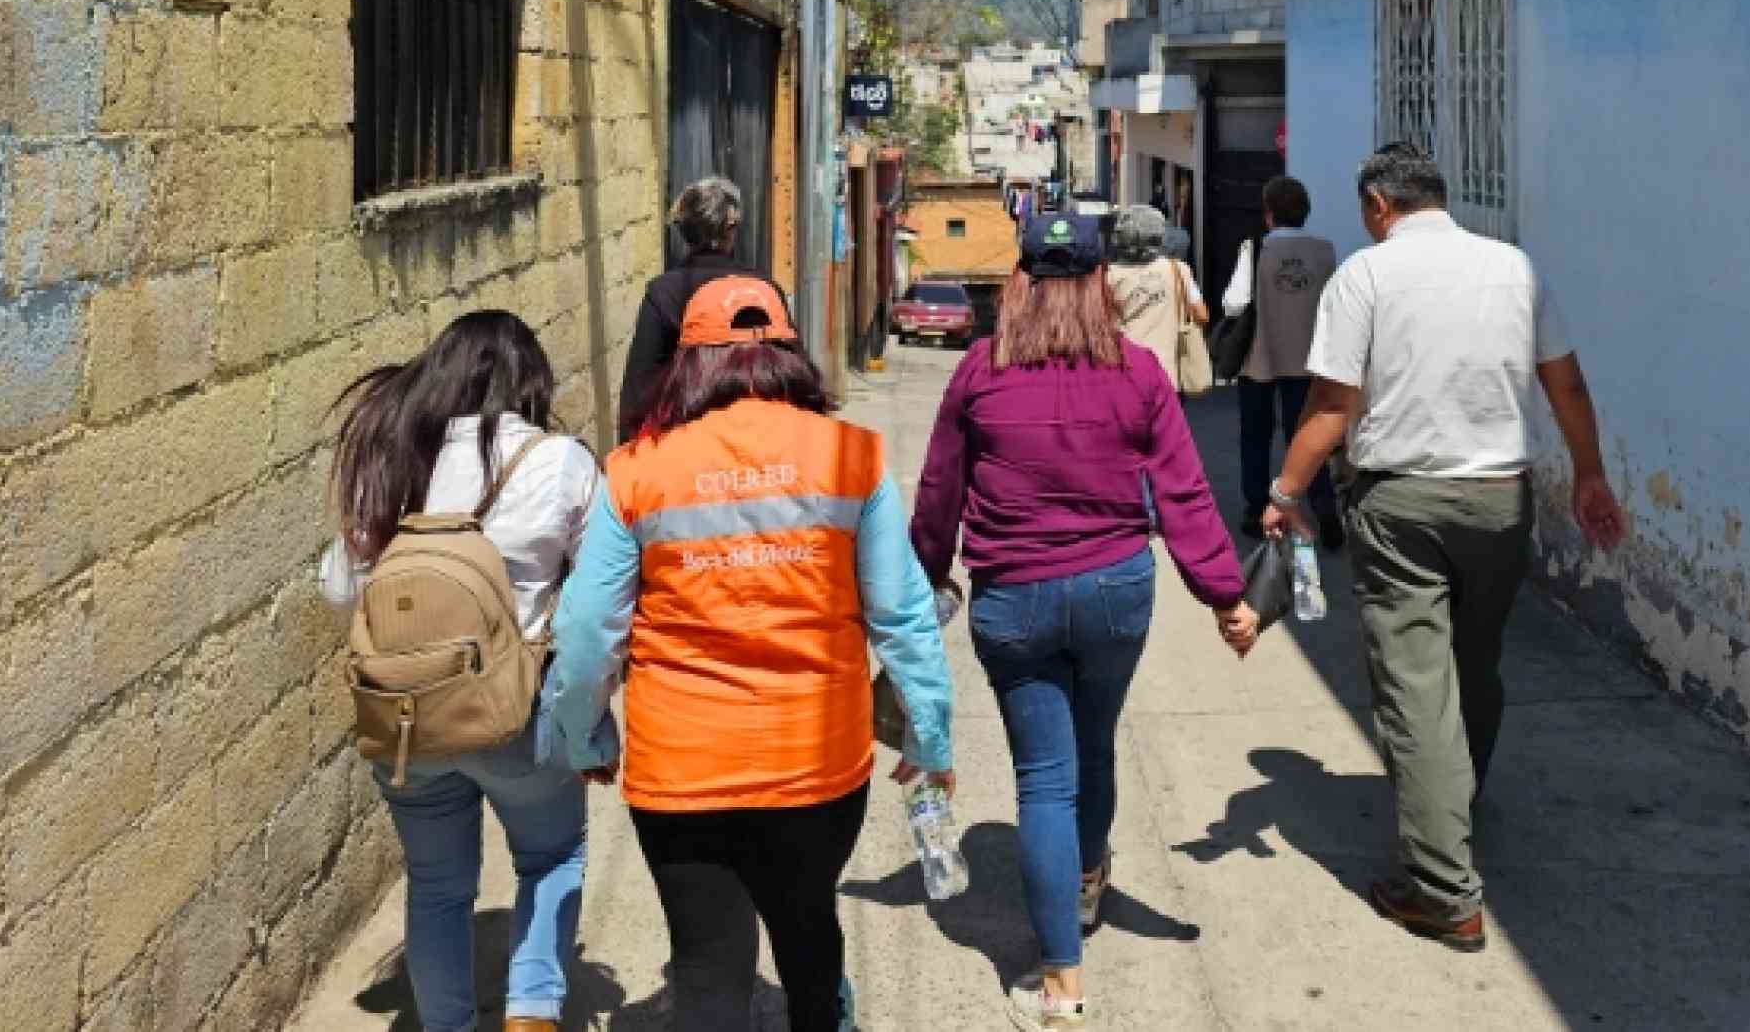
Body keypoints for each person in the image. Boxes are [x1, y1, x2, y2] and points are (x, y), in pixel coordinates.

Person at [548, 277, 954, 1032]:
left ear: (688, 364)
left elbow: (584, 633)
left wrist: (582, 734)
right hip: (818, 768)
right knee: (808, 938)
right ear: (789, 354)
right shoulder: (851, 457)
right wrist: (929, 737)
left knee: (705, 972)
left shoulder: (636, 470)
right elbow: (902, 614)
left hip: (682, 771)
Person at [1261, 145, 1627, 954]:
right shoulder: (1512, 268)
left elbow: (1332, 401)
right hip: (1501, 499)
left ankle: (1440, 888)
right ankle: (1454, 799)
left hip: (1401, 505)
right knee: (1475, 659)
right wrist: (1592, 474)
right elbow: (1564, 382)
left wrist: (1287, 492)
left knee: (1416, 689)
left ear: (1377, 205)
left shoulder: (1366, 275)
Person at [912, 211, 1255, 1032]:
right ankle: (1091, 875)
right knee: (1093, 742)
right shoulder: (1137, 373)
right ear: (1102, 283)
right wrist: (1225, 597)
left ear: (1019, 283)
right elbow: (1185, 493)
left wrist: (925, 582)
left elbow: (938, 492)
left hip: (1013, 600)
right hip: (1114, 592)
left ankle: (1062, 982)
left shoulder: (979, 372)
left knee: (1044, 779)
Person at [319, 311, 606, 1032]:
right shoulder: (559, 460)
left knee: (438, 886)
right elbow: (596, 609)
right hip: (519, 716)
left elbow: (338, 588)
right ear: (529, 383)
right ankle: (531, 1017)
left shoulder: (392, 460)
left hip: (410, 721)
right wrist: (589, 719)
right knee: (552, 855)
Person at [1221, 176, 1343, 545]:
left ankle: (1257, 509)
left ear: (1269, 213)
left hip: (1262, 356)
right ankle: (1324, 510)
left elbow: (1234, 302)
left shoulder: (1256, 248)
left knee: (1255, 436)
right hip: (1310, 359)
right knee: (1309, 435)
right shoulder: (1325, 250)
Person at [616, 176, 786, 441]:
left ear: (684, 231)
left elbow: (640, 385)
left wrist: (628, 456)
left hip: (686, 440)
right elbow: (793, 370)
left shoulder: (664, 292)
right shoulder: (763, 289)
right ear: (731, 228)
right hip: (760, 438)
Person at [1104, 204, 1208, 378]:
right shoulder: (1178, 269)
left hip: (1124, 372)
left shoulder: (1107, 276)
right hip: (1167, 373)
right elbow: (1202, 313)